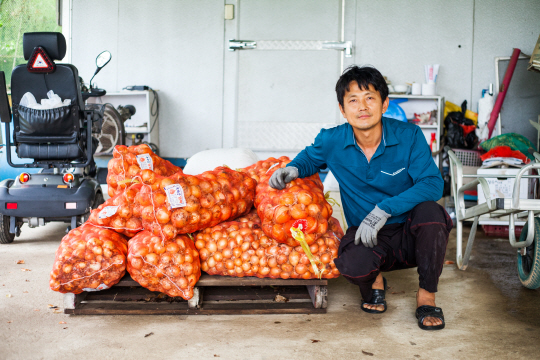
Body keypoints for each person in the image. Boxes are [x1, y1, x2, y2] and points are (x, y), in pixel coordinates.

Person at [268, 65, 453, 330]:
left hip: (410, 233)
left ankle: (426, 296)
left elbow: (433, 183)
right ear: (343, 110)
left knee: (432, 215)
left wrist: (385, 209)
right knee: (352, 266)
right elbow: (310, 157)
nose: (362, 107)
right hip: (368, 234)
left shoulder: (409, 136)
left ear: (384, 103)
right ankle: (375, 280)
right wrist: (293, 168)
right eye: (352, 100)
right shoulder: (332, 139)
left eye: (369, 97)